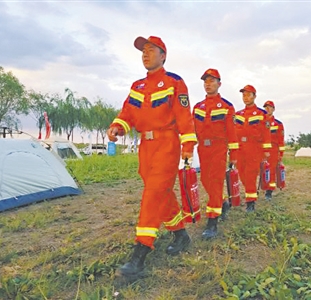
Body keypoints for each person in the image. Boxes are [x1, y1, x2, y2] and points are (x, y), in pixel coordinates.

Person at [107, 36, 197, 279]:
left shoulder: (174, 82)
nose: (145, 54)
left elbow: (184, 115)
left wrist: (188, 143)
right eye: (143, 51)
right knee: (161, 192)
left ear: (163, 55)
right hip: (145, 147)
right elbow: (127, 113)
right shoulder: (137, 86)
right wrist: (117, 127)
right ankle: (180, 234)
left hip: (167, 143)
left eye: (151, 50)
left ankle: (140, 253)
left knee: (153, 193)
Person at [192, 68, 238, 239]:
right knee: (205, 180)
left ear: (219, 84)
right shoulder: (198, 107)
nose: (208, 84)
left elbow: (232, 133)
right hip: (202, 149)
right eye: (205, 81)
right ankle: (223, 202)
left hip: (219, 149)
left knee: (216, 181)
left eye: (212, 81)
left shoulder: (226, 107)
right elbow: (191, 130)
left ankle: (212, 222)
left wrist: (233, 154)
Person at [235, 85, 271, 212]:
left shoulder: (262, 114)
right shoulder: (238, 114)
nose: (245, 97)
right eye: (244, 95)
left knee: (250, 174)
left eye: (248, 95)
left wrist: (266, 150)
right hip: (240, 148)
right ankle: (251, 191)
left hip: (254, 148)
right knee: (242, 173)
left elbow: (267, 133)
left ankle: (250, 202)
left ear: (254, 96)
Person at [263, 100, 285, 200]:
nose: (267, 109)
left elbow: (281, 140)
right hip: (261, 150)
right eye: (265, 107)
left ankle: (269, 191)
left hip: (273, 151)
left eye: (269, 107)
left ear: (273, 109)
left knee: (271, 171)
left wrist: (281, 154)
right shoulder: (260, 122)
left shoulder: (278, 124)